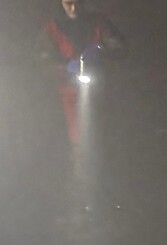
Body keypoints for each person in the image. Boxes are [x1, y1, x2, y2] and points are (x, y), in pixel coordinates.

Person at [36, 0, 126, 143]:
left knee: (105, 138)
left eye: (77, 3)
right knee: (74, 139)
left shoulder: (98, 23)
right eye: (68, 4)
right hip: (66, 96)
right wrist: (65, 68)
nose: (74, 8)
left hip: (101, 92)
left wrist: (101, 52)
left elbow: (119, 49)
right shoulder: (52, 29)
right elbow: (40, 62)